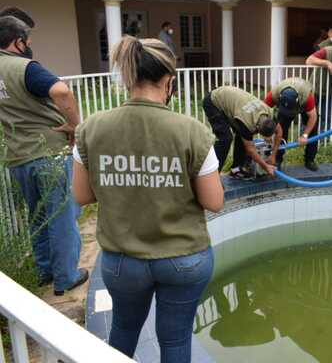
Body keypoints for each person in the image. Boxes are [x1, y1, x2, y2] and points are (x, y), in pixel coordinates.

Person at [72, 35, 224, 362]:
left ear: (128, 76)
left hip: (122, 261)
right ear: (169, 80)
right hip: (184, 258)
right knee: (175, 340)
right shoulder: (192, 131)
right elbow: (214, 201)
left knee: (123, 331)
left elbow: (82, 195)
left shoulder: (90, 129)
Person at [0, 16, 87, 295]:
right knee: (61, 215)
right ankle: (66, 277)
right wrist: (75, 124)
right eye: (28, 41)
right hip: (48, 152)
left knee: (37, 216)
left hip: (17, 156)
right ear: (18, 41)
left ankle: (45, 272)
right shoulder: (25, 67)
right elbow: (61, 91)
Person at [203, 85, 277, 178]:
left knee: (241, 135)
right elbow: (250, 149)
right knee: (225, 139)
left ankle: (236, 170)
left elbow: (280, 131)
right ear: (257, 126)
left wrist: (273, 153)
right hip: (213, 102)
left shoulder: (269, 112)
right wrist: (265, 166)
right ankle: (211, 176)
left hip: (230, 99)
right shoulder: (246, 121)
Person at [265, 78, 319, 171]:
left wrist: (305, 135)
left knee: (312, 130)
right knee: (281, 130)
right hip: (287, 103)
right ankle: (277, 159)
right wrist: (267, 133)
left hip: (304, 101)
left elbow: (313, 117)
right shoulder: (274, 94)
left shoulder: (308, 97)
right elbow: (263, 110)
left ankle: (310, 160)